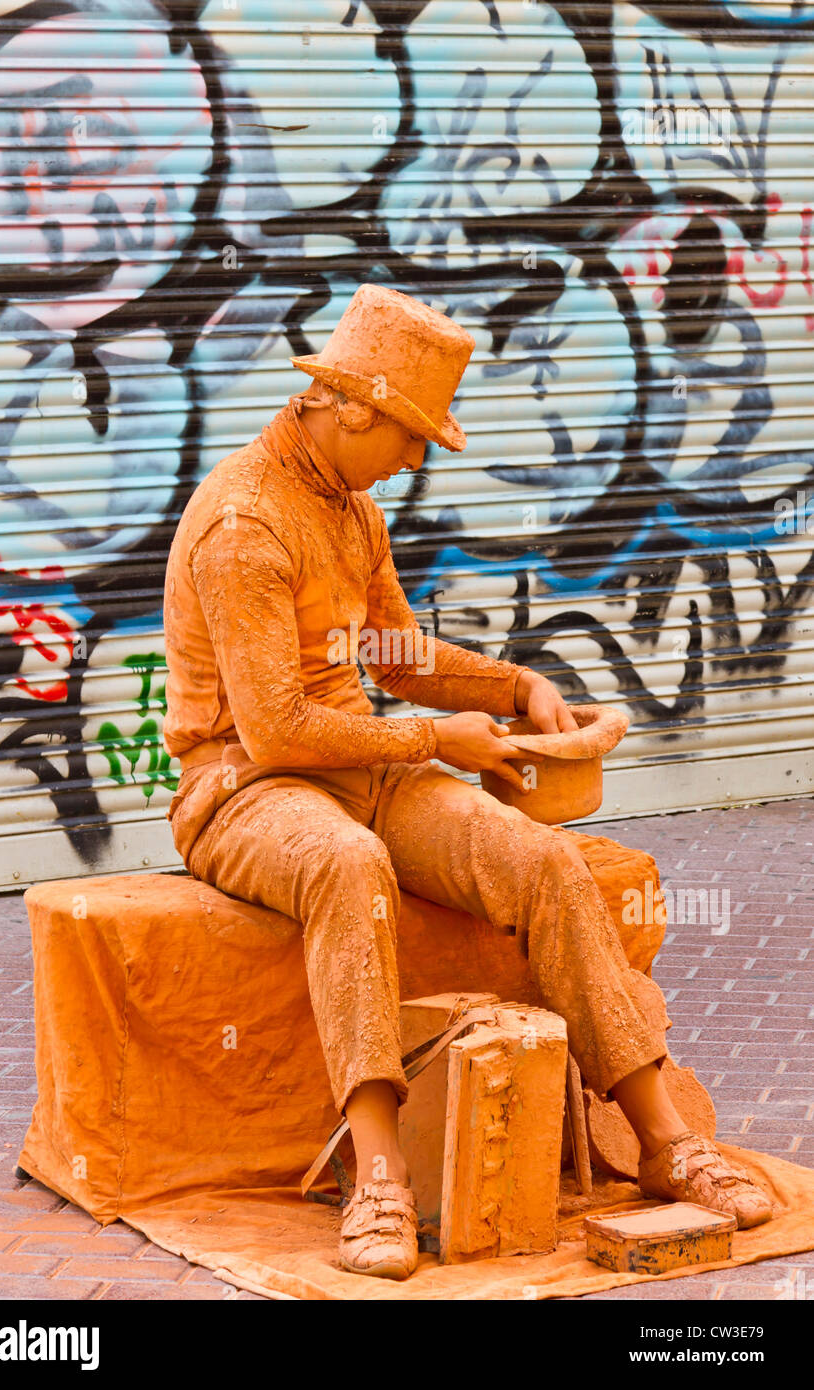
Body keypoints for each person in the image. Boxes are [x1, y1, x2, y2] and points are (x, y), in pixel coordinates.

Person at [163, 284, 772, 1281]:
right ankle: (378, 1175)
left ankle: (664, 1138)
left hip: (357, 758)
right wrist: (433, 741)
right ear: (350, 406)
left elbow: (395, 656)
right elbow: (272, 728)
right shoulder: (246, 525)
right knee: (347, 865)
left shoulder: (350, 507)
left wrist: (514, 683)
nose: (412, 460)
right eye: (407, 436)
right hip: (240, 788)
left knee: (541, 859)